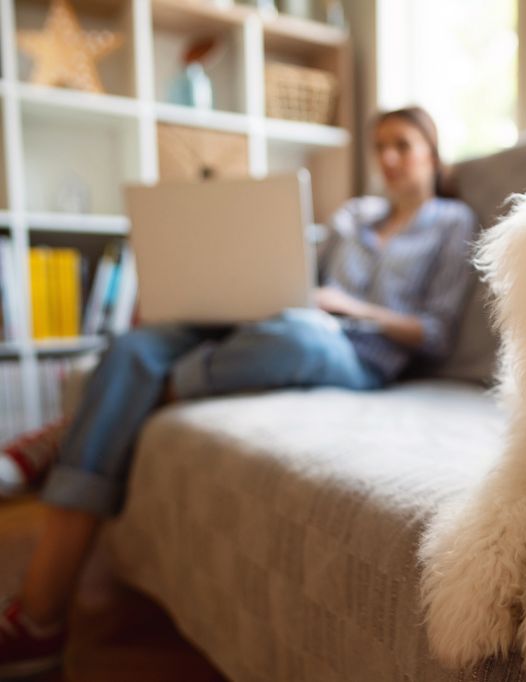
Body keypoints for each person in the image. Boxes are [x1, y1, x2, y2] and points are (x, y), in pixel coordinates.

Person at [0, 106, 477, 677]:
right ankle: (41, 619)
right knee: (140, 345)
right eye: (380, 147)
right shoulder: (354, 216)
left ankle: (66, 439)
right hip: (282, 324)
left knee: (298, 335)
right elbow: (296, 282)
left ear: (431, 150)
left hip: (356, 354)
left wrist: (353, 308)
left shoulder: (452, 221)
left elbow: (436, 331)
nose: (389, 159)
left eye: (402, 144)